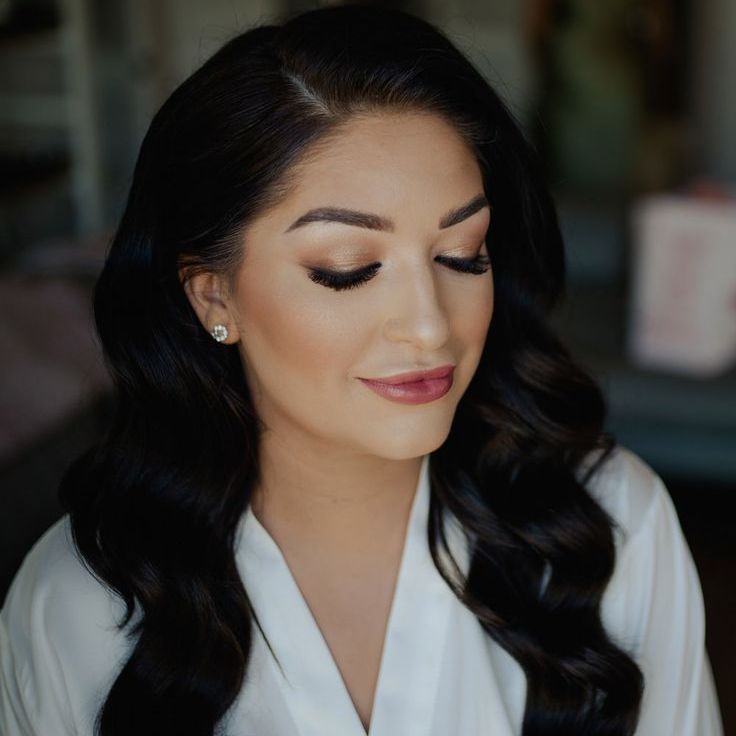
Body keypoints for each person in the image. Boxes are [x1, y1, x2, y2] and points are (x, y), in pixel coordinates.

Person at [0, 4, 724, 735]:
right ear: (214, 295)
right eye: (347, 269)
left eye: (461, 255)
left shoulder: (611, 527)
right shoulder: (78, 606)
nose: (430, 324)